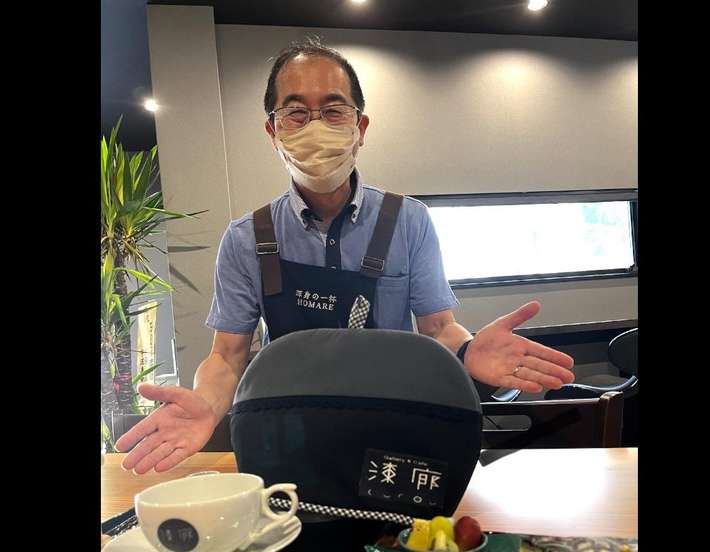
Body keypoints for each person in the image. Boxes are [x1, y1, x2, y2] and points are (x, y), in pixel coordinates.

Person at [115, 38, 575, 475]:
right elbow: (227, 357)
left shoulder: (408, 221)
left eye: (334, 110)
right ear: (273, 132)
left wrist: (470, 350)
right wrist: (206, 404)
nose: (315, 126)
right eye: (296, 112)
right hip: (292, 437)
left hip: (396, 429)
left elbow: (438, 329)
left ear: (360, 128)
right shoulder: (246, 239)